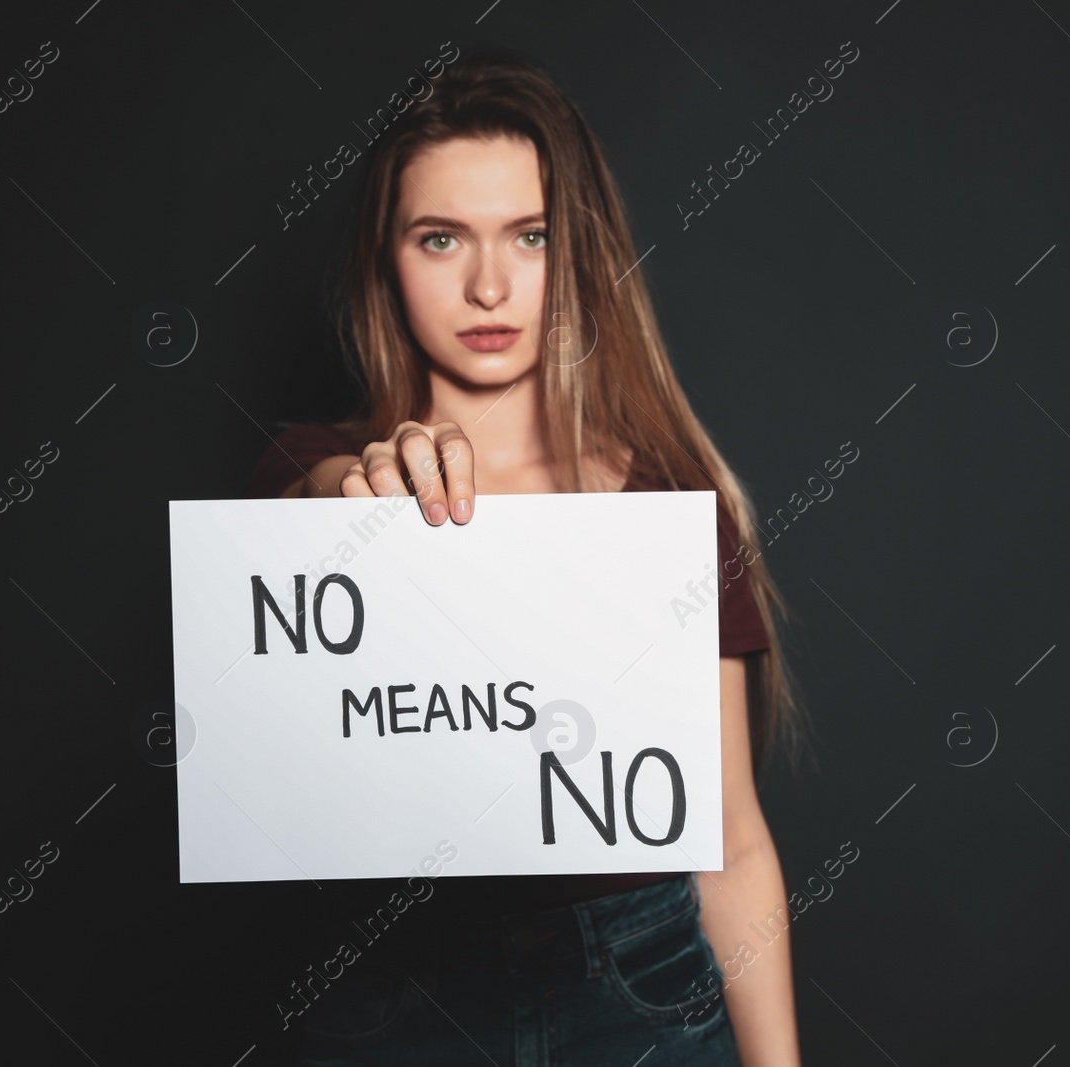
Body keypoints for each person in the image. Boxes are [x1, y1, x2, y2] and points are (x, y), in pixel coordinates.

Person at [243, 49, 811, 1067]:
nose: (490, 284)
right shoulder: (312, 477)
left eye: (530, 235)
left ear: (579, 251)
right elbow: (294, 507)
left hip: (638, 984)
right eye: (440, 237)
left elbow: (729, 837)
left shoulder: (667, 504)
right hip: (393, 987)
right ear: (387, 258)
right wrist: (347, 492)